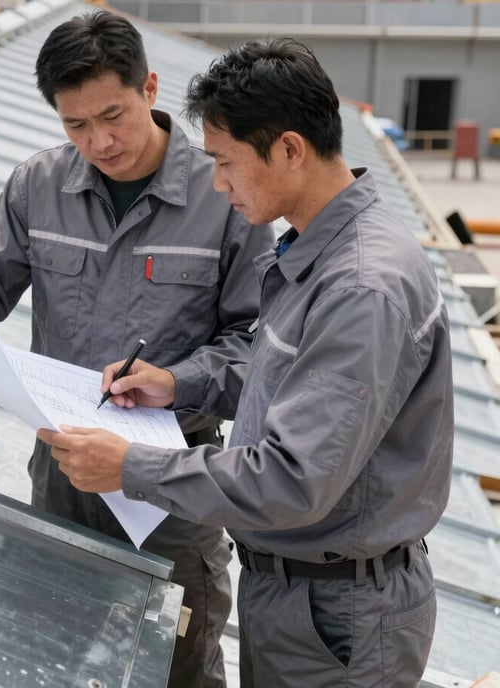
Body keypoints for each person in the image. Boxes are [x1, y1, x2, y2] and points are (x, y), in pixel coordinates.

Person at [37, 37, 455, 688]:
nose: (217, 183)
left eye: (226, 162)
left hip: (338, 621)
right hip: (299, 601)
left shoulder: (361, 288)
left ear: (289, 148)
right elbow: (277, 377)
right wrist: (176, 383)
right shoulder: (317, 253)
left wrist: (130, 467)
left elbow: (290, 480)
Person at [0, 10, 275, 687]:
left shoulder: (226, 193)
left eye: (113, 115)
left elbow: (259, 350)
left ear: (150, 87)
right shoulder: (39, 185)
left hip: (171, 487)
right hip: (62, 474)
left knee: (179, 657)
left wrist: (175, 378)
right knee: (49, 647)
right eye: (75, 125)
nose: (100, 141)